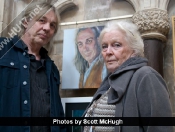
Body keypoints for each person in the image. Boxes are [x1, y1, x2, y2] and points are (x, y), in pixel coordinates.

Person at [82, 21, 174, 132]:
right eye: (104, 46)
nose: (108, 52)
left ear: (134, 50)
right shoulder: (108, 83)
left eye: (116, 45)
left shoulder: (146, 76)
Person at [0, 1, 66, 132]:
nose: (47, 28)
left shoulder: (51, 68)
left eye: (52, 25)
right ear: (25, 22)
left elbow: (58, 113)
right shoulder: (3, 50)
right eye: (42, 20)